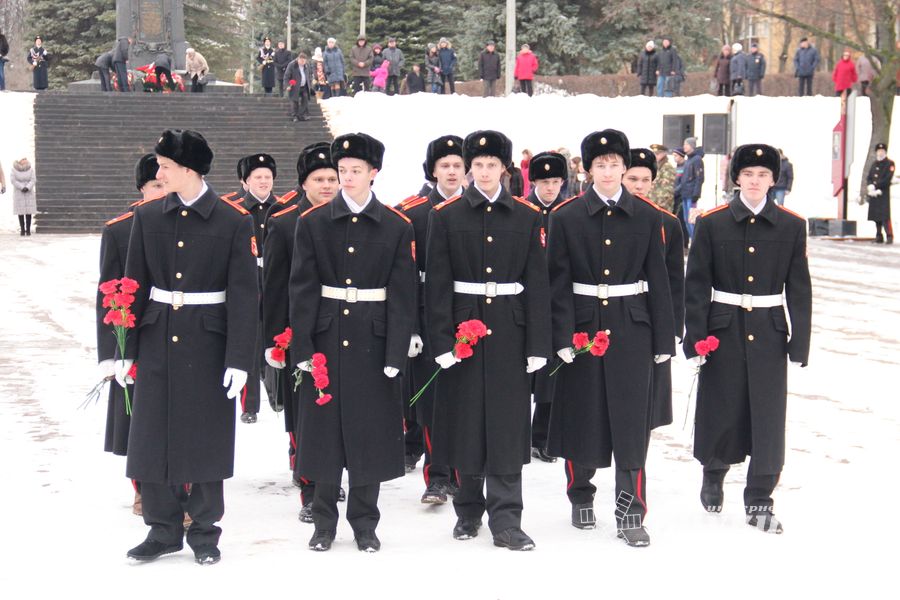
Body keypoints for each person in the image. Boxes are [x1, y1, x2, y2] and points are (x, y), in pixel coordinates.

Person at [119, 129, 258, 564]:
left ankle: (203, 531)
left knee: (204, 435)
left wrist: (240, 359)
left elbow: (244, 295)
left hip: (209, 339)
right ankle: (161, 530)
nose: (158, 172)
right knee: (152, 432)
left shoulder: (233, 220)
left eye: (165, 167)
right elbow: (132, 285)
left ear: (189, 170)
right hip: (157, 334)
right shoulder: (149, 216)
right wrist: (122, 346)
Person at [425, 129, 551, 551]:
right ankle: (467, 511)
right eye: (475, 165)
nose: (482, 172)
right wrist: (441, 339)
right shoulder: (446, 216)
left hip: (510, 333)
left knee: (507, 425)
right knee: (466, 421)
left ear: (505, 169)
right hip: (464, 328)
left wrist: (537, 344)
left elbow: (537, 281)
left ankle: (507, 518)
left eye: (491, 165)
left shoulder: (526, 215)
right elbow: (438, 284)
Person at [289, 133, 416, 552]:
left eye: (355, 171)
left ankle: (365, 522)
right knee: (324, 432)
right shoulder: (312, 222)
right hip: (326, 337)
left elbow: (402, 293)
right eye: (342, 171)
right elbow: (302, 289)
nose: (346, 178)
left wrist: (397, 349)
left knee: (370, 432)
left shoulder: (397, 225)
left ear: (373, 174)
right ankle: (323, 522)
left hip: (373, 339)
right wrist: (303, 348)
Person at [546, 131, 673, 548]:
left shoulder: (648, 216)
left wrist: (663, 339)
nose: (606, 171)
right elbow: (557, 281)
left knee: (631, 423)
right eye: (598, 164)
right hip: (582, 324)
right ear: (587, 169)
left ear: (624, 166)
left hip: (631, 326)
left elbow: (659, 278)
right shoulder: (565, 216)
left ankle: (630, 510)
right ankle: (580, 493)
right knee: (582, 414)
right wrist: (561, 334)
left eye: (613, 164)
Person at [684, 143, 811, 535]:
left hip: (770, 330)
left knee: (768, 415)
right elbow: (697, 284)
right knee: (721, 405)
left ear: (774, 180)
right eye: (748, 174)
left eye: (763, 175)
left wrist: (799, 340)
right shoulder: (712, 221)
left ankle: (760, 494)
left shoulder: (791, 224)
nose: (755, 181)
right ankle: (714, 470)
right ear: (736, 178)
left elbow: (799, 287)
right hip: (723, 329)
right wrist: (696, 335)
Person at [263, 142, 337, 522]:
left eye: (332, 178)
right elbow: (274, 287)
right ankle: (310, 485)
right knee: (305, 413)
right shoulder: (284, 222)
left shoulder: (349, 218)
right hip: (300, 333)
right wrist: (274, 338)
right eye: (318, 179)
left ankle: (332, 474)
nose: (327, 185)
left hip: (341, 330)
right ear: (303, 183)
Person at [398, 135, 466, 504]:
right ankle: (437, 476)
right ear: (433, 170)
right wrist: (410, 326)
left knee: (467, 398)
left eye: (457, 165)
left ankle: (466, 471)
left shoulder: (477, 208)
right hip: (427, 314)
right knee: (432, 400)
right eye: (445, 166)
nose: (452, 172)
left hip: (470, 313)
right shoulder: (414, 212)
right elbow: (405, 273)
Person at [96, 155, 165, 516]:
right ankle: (142, 487)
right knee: (135, 418)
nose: (162, 190)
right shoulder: (119, 230)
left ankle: (179, 486)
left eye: (166, 183)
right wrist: (112, 351)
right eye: (155, 185)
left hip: (173, 333)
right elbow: (106, 293)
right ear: (142, 188)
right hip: (133, 337)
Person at [623, 148, 685, 433]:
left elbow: (674, 280)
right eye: (632, 178)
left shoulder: (667, 223)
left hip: (652, 313)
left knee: (647, 393)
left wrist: (673, 327)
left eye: (645, 180)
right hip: (620, 308)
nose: (638, 186)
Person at [228, 153, 286, 424]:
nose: (263, 182)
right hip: (246, 279)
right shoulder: (232, 208)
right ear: (245, 181)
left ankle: (278, 396)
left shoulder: (283, 207)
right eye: (257, 177)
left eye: (268, 177)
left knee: (275, 335)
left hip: (275, 280)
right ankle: (249, 404)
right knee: (249, 341)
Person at [525, 151, 568, 462]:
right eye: (544, 181)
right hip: (525, 299)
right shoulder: (523, 211)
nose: (550, 188)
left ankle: (542, 435)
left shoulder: (569, 213)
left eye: (555, 181)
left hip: (557, 300)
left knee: (552, 373)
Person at [866, 142, 895, 244]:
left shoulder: (890, 164)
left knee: (885, 216)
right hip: (874, 194)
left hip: (883, 193)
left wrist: (876, 186)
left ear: (885, 152)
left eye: (882, 151)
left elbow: (887, 179)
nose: (880, 152)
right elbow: (869, 177)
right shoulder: (874, 164)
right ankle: (879, 235)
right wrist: (870, 186)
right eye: (879, 151)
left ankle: (889, 235)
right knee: (876, 216)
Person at [681, 137, 705, 240]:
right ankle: (693, 240)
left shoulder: (697, 159)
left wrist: (696, 193)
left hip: (692, 195)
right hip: (685, 194)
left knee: (692, 220)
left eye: (686, 144)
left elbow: (699, 178)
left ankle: (696, 240)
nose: (684, 147)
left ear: (692, 146)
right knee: (686, 220)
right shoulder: (688, 160)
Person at [284, 52, 314, 122]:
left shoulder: (307, 65)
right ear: (298, 59)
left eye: (304, 61)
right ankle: (294, 116)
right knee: (294, 101)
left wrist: (310, 84)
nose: (303, 62)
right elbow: (286, 76)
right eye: (301, 61)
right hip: (294, 86)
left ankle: (301, 115)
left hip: (304, 86)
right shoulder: (292, 65)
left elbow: (309, 75)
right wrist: (287, 85)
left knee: (305, 98)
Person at [11, 157, 36, 236]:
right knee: (20, 212)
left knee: (29, 212)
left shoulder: (31, 169)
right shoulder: (14, 170)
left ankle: (28, 230)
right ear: (20, 161)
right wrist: (22, 187)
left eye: (25, 159)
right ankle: (22, 229)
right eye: (23, 159)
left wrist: (27, 187)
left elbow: (33, 179)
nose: (25, 160)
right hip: (19, 193)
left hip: (29, 192)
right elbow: (13, 180)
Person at [647, 144, 675, 213]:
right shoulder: (656, 166)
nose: (655, 156)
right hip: (652, 202)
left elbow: (667, 189)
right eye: (654, 153)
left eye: (658, 154)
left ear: (664, 154)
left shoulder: (667, 167)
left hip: (662, 204)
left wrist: (660, 204)